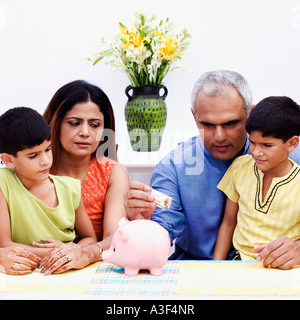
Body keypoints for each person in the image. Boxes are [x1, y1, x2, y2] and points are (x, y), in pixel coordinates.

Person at [124, 70, 300, 268]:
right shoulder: (172, 168)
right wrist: (142, 222)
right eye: (207, 124)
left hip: (272, 272)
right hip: (196, 273)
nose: (219, 136)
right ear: (194, 116)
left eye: (230, 123)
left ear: (250, 113)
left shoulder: (293, 157)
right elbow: (159, 231)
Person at [40, 80, 129, 275]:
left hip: (95, 272)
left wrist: (85, 253)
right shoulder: (36, 169)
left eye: (95, 125)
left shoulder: (113, 172)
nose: (85, 133)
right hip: (38, 269)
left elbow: (115, 236)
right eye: (74, 123)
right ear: (56, 121)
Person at [0, 107, 97, 268]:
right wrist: (56, 252)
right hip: (25, 273)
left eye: (48, 149)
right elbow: (4, 244)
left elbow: (90, 238)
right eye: (33, 155)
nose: (45, 161)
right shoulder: (3, 183)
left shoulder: (70, 187)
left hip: (68, 269)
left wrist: (72, 250)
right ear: (8, 160)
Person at [213, 96, 300, 268]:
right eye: (252, 142)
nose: (256, 152)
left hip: (284, 269)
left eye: (267, 145)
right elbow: (228, 223)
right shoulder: (239, 168)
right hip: (239, 265)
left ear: (292, 144)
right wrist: (215, 267)